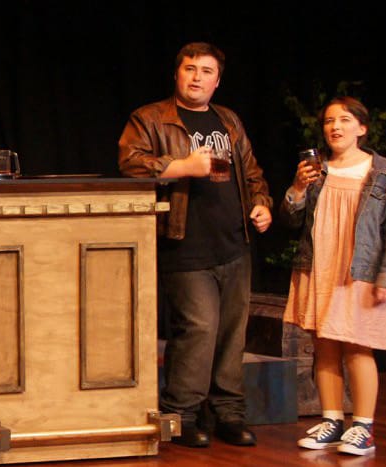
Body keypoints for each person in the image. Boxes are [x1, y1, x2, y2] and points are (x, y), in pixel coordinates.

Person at [118, 42, 271, 448]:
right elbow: (130, 162)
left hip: (234, 243)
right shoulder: (151, 118)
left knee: (232, 333)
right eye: (190, 69)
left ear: (217, 80)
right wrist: (181, 167)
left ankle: (228, 414)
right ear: (177, 74)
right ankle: (181, 415)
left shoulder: (229, 121)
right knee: (199, 329)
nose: (197, 77)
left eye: (206, 71)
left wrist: (261, 204)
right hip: (183, 243)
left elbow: (252, 172)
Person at [284, 97, 386, 457]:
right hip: (319, 264)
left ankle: (363, 426)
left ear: (361, 128)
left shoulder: (383, 173)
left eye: (345, 120)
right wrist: (298, 189)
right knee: (324, 344)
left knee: (357, 345)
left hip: (359, 270)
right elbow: (290, 221)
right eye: (330, 121)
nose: (335, 127)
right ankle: (332, 420)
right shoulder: (317, 171)